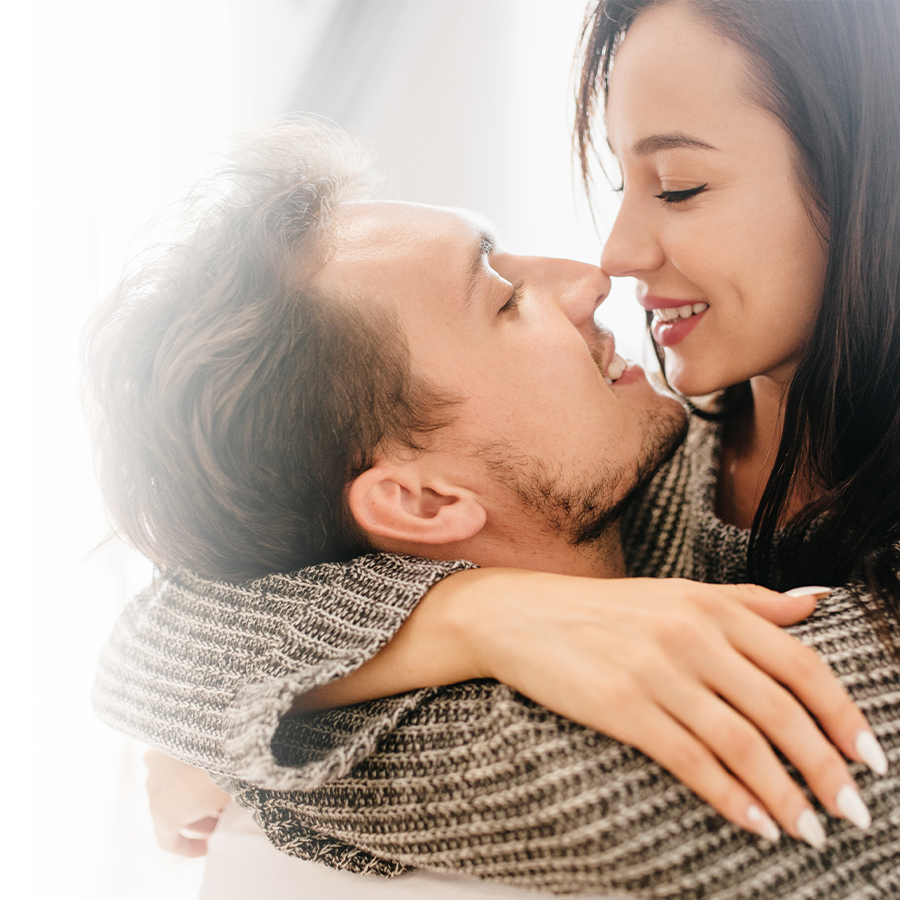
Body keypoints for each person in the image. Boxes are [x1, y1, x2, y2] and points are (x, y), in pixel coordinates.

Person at [88, 0, 899, 890]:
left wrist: (254, 748)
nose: (609, 261)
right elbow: (169, 626)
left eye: (679, 186)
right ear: (424, 501)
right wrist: (478, 619)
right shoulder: (661, 470)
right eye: (506, 299)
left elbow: (662, 805)